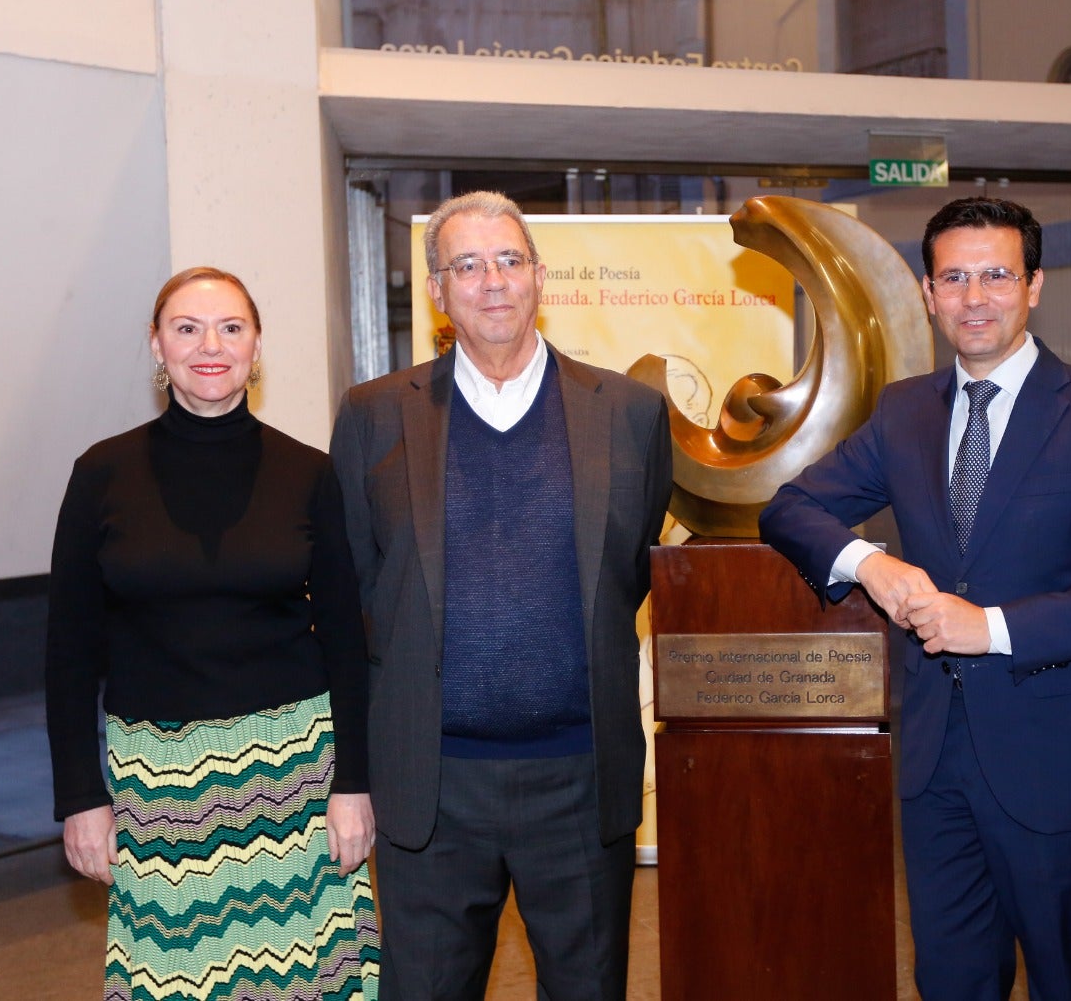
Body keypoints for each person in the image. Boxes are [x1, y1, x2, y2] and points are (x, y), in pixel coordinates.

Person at [759, 196, 1071, 1000]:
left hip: (1065, 765)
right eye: (954, 278)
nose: (974, 297)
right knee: (950, 980)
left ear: (1034, 286)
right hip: (935, 765)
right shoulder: (905, 410)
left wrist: (989, 628)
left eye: (996, 275)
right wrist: (870, 565)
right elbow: (790, 508)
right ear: (927, 291)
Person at [331, 190, 672, 1000]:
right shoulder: (376, 415)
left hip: (581, 782)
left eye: (509, 260)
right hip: (430, 788)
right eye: (468, 265)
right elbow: (353, 593)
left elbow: (630, 569)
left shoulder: (629, 412)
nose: (492, 281)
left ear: (539, 278)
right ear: (438, 290)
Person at [45, 266, 380, 999]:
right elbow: (67, 653)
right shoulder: (101, 473)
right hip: (157, 781)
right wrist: (79, 794)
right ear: (157, 346)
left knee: (303, 980)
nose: (211, 346)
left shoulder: (307, 473)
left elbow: (347, 646)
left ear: (255, 349)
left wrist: (353, 785)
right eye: (187, 328)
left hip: (292, 775)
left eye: (232, 328)